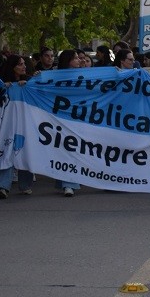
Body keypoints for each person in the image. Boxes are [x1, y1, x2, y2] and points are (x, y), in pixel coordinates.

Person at [0, 54, 35, 198]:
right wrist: (2, 89)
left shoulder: (30, 81)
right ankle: (3, 186)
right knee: (7, 152)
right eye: (20, 64)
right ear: (12, 67)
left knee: (25, 152)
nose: (24, 66)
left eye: (24, 63)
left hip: (26, 125)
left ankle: (25, 185)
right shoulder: (2, 83)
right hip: (8, 125)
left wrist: (29, 85)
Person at [54, 49, 82, 195]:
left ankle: (68, 182)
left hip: (78, 118)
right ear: (68, 60)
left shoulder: (84, 76)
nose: (79, 60)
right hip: (60, 118)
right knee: (66, 149)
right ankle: (68, 184)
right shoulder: (54, 76)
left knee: (74, 149)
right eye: (76, 58)